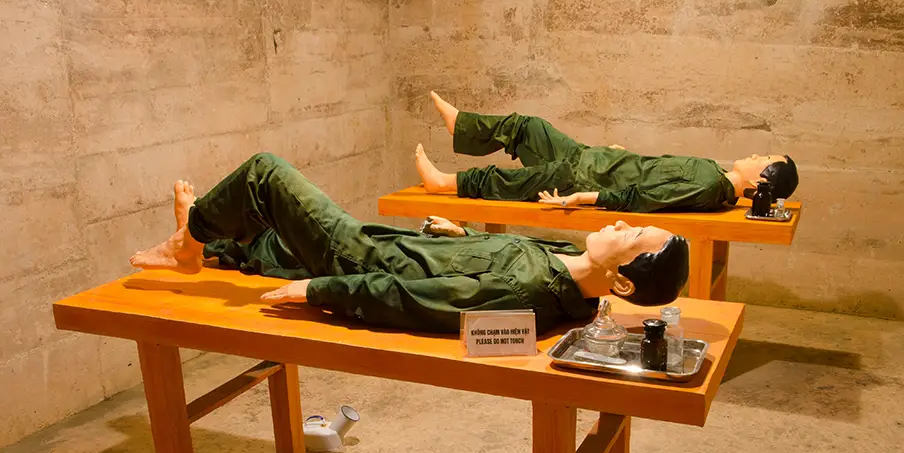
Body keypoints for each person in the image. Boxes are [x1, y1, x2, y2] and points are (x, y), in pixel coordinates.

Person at [129, 153, 689, 333]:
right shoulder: (567, 270)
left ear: (622, 280)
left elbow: (415, 301)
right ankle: (212, 247)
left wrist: (323, 288)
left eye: (634, 235)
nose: (620, 224)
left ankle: (191, 238)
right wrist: (461, 237)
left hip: (362, 257)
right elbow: (490, 262)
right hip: (390, 242)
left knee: (266, 175)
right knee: (272, 246)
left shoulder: (531, 291)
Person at [413, 91, 799, 213]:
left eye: (763, 160)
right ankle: (462, 124)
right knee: (529, 127)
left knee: (513, 181)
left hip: (585, 177)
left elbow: (644, 197)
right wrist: (621, 155)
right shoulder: (711, 172)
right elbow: (650, 171)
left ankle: (443, 183)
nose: (754, 155)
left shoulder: (710, 187)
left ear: (762, 179)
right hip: (595, 159)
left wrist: (586, 197)